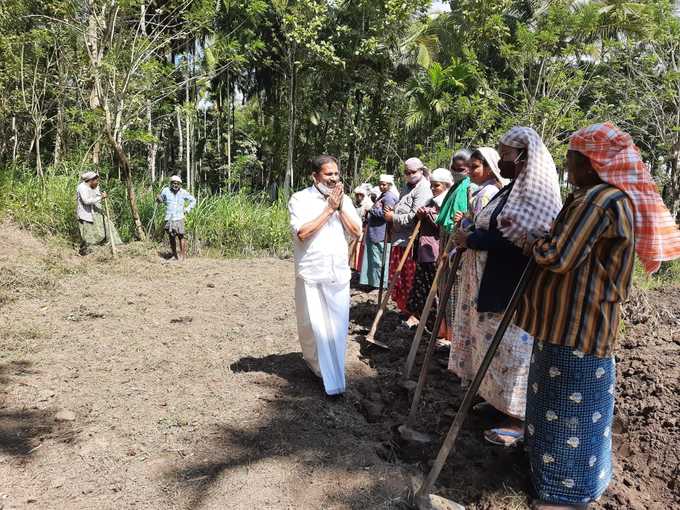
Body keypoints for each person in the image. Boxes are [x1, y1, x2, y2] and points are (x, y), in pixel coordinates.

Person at [518, 123, 680, 510]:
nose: (567, 165)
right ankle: (557, 479)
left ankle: (565, 493)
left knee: (568, 413)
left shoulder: (599, 201)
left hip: (577, 327)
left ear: (591, 163)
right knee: (560, 409)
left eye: (572, 158)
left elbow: (558, 257)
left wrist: (529, 240)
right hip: (570, 325)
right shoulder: (596, 197)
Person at [449, 128, 562, 447]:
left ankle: (516, 417)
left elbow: (517, 241)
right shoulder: (509, 190)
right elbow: (493, 225)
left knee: (513, 349)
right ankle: (497, 403)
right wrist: (471, 231)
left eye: (505, 154)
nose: (501, 160)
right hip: (491, 279)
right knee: (494, 349)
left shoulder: (532, 195)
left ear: (523, 157)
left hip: (512, 286)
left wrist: (472, 238)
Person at [288, 155, 362, 396]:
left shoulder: (345, 201)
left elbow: (357, 232)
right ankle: (316, 366)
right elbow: (302, 232)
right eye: (328, 174)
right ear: (315, 176)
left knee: (337, 328)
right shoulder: (299, 199)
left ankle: (333, 380)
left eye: (336, 174)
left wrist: (339, 209)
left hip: (338, 273)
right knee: (312, 327)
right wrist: (328, 209)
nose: (333, 178)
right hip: (311, 272)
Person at [384, 157, 433, 326]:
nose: (409, 175)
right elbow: (402, 207)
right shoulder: (406, 187)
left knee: (410, 278)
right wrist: (393, 211)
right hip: (399, 240)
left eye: (413, 172)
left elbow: (415, 217)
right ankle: (404, 309)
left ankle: (412, 311)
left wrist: (393, 217)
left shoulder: (423, 189)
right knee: (401, 278)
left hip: (411, 241)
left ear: (421, 171)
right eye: (406, 172)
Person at [406, 168, 453, 329]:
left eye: (437, 186)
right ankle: (420, 317)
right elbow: (417, 223)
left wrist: (429, 215)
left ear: (446, 186)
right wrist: (419, 215)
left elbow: (444, 226)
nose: (433, 189)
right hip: (423, 252)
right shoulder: (430, 202)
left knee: (434, 290)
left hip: (434, 253)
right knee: (421, 288)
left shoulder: (447, 203)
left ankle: (436, 324)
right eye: (432, 185)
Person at [435, 149, 472, 341]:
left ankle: (453, 336)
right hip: (446, 243)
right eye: (454, 168)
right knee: (444, 290)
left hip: (455, 248)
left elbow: (464, 219)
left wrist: (448, 250)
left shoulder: (468, 187)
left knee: (453, 291)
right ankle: (444, 331)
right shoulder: (455, 187)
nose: (457, 171)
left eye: (462, 169)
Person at [360, 175, 399, 289]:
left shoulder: (389, 198)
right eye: (380, 184)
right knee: (375, 259)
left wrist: (371, 210)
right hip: (376, 232)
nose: (382, 186)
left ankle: (380, 285)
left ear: (390, 185)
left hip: (381, 233)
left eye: (384, 184)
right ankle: (376, 283)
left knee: (380, 261)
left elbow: (386, 215)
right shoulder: (382, 196)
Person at [76, 171, 122, 255]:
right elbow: (86, 201)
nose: (97, 182)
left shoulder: (95, 186)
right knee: (90, 235)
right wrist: (101, 197)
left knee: (108, 225)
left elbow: (97, 197)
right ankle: (88, 251)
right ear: (90, 180)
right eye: (96, 180)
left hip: (97, 212)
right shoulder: (81, 187)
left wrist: (101, 196)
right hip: (86, 214)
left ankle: (113, 245)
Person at [156, 175, 196, 261]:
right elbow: (161, 200)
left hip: (179, 217)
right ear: (171, 183)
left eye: (177, 184)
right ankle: (175, 256)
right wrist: (158, 199)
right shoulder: (166, 191)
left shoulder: (183, 192)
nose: (175, 185)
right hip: (169, 217)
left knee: (181, 236)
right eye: (174, 183)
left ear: (180, 185)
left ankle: (183, 257)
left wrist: (187, 209)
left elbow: (193, 200)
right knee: (171, 237)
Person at [349, 183, 374, 271]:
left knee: (359, 247)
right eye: (357, 195)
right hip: (353, 228)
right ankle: (352, 265)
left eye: (361, 195)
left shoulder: (368, 204)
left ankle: (358, 267)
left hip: (363, 229)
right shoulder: (353, 204)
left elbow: (369, 218)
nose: (359, 197)